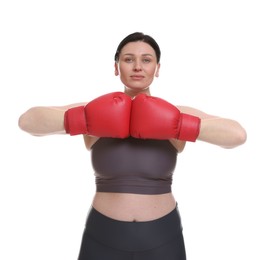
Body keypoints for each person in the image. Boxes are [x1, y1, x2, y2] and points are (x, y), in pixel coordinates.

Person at [18, 32, 247, 260]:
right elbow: (27, 121)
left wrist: (179, 126)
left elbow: (237, 135)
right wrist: (84, 119)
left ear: (157, 68)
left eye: (146, 60)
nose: (137, 66)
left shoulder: (177, 114)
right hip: (103, 234)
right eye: (128, 59)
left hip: (163, 235)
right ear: (116, 67)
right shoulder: (93, 111)